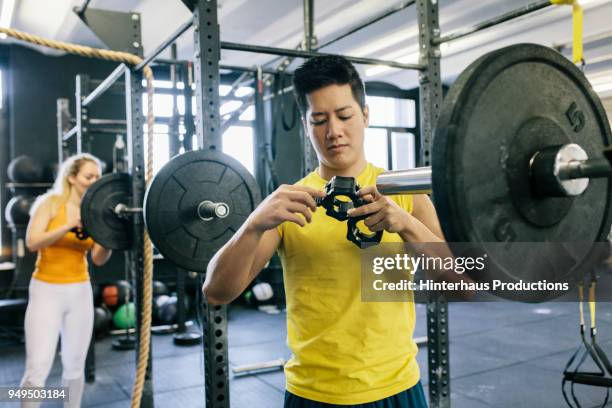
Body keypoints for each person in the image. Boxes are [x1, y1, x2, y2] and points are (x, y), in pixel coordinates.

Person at [204, 56, 447, 407]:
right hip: (314, 394)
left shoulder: (404, 194)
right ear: (306, 126)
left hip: (396, 387)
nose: (334, 131)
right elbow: (216, 292)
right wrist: (254, 222)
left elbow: (462, 285)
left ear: (365, 115)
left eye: (344, 116)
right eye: (319, 120)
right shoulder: (291, 205)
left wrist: (405, 224)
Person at [21, 153, 112, 408]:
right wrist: (67, 225)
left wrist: (109, 237)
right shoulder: (50, 203)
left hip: (79, 290)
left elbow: (98, 258)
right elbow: (32, 242)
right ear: (72, 177)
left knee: (74, 366)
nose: (95, 181)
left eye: (98, 176)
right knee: (38, 366)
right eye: (89, 176)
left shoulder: (94, 211)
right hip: (46, 290)